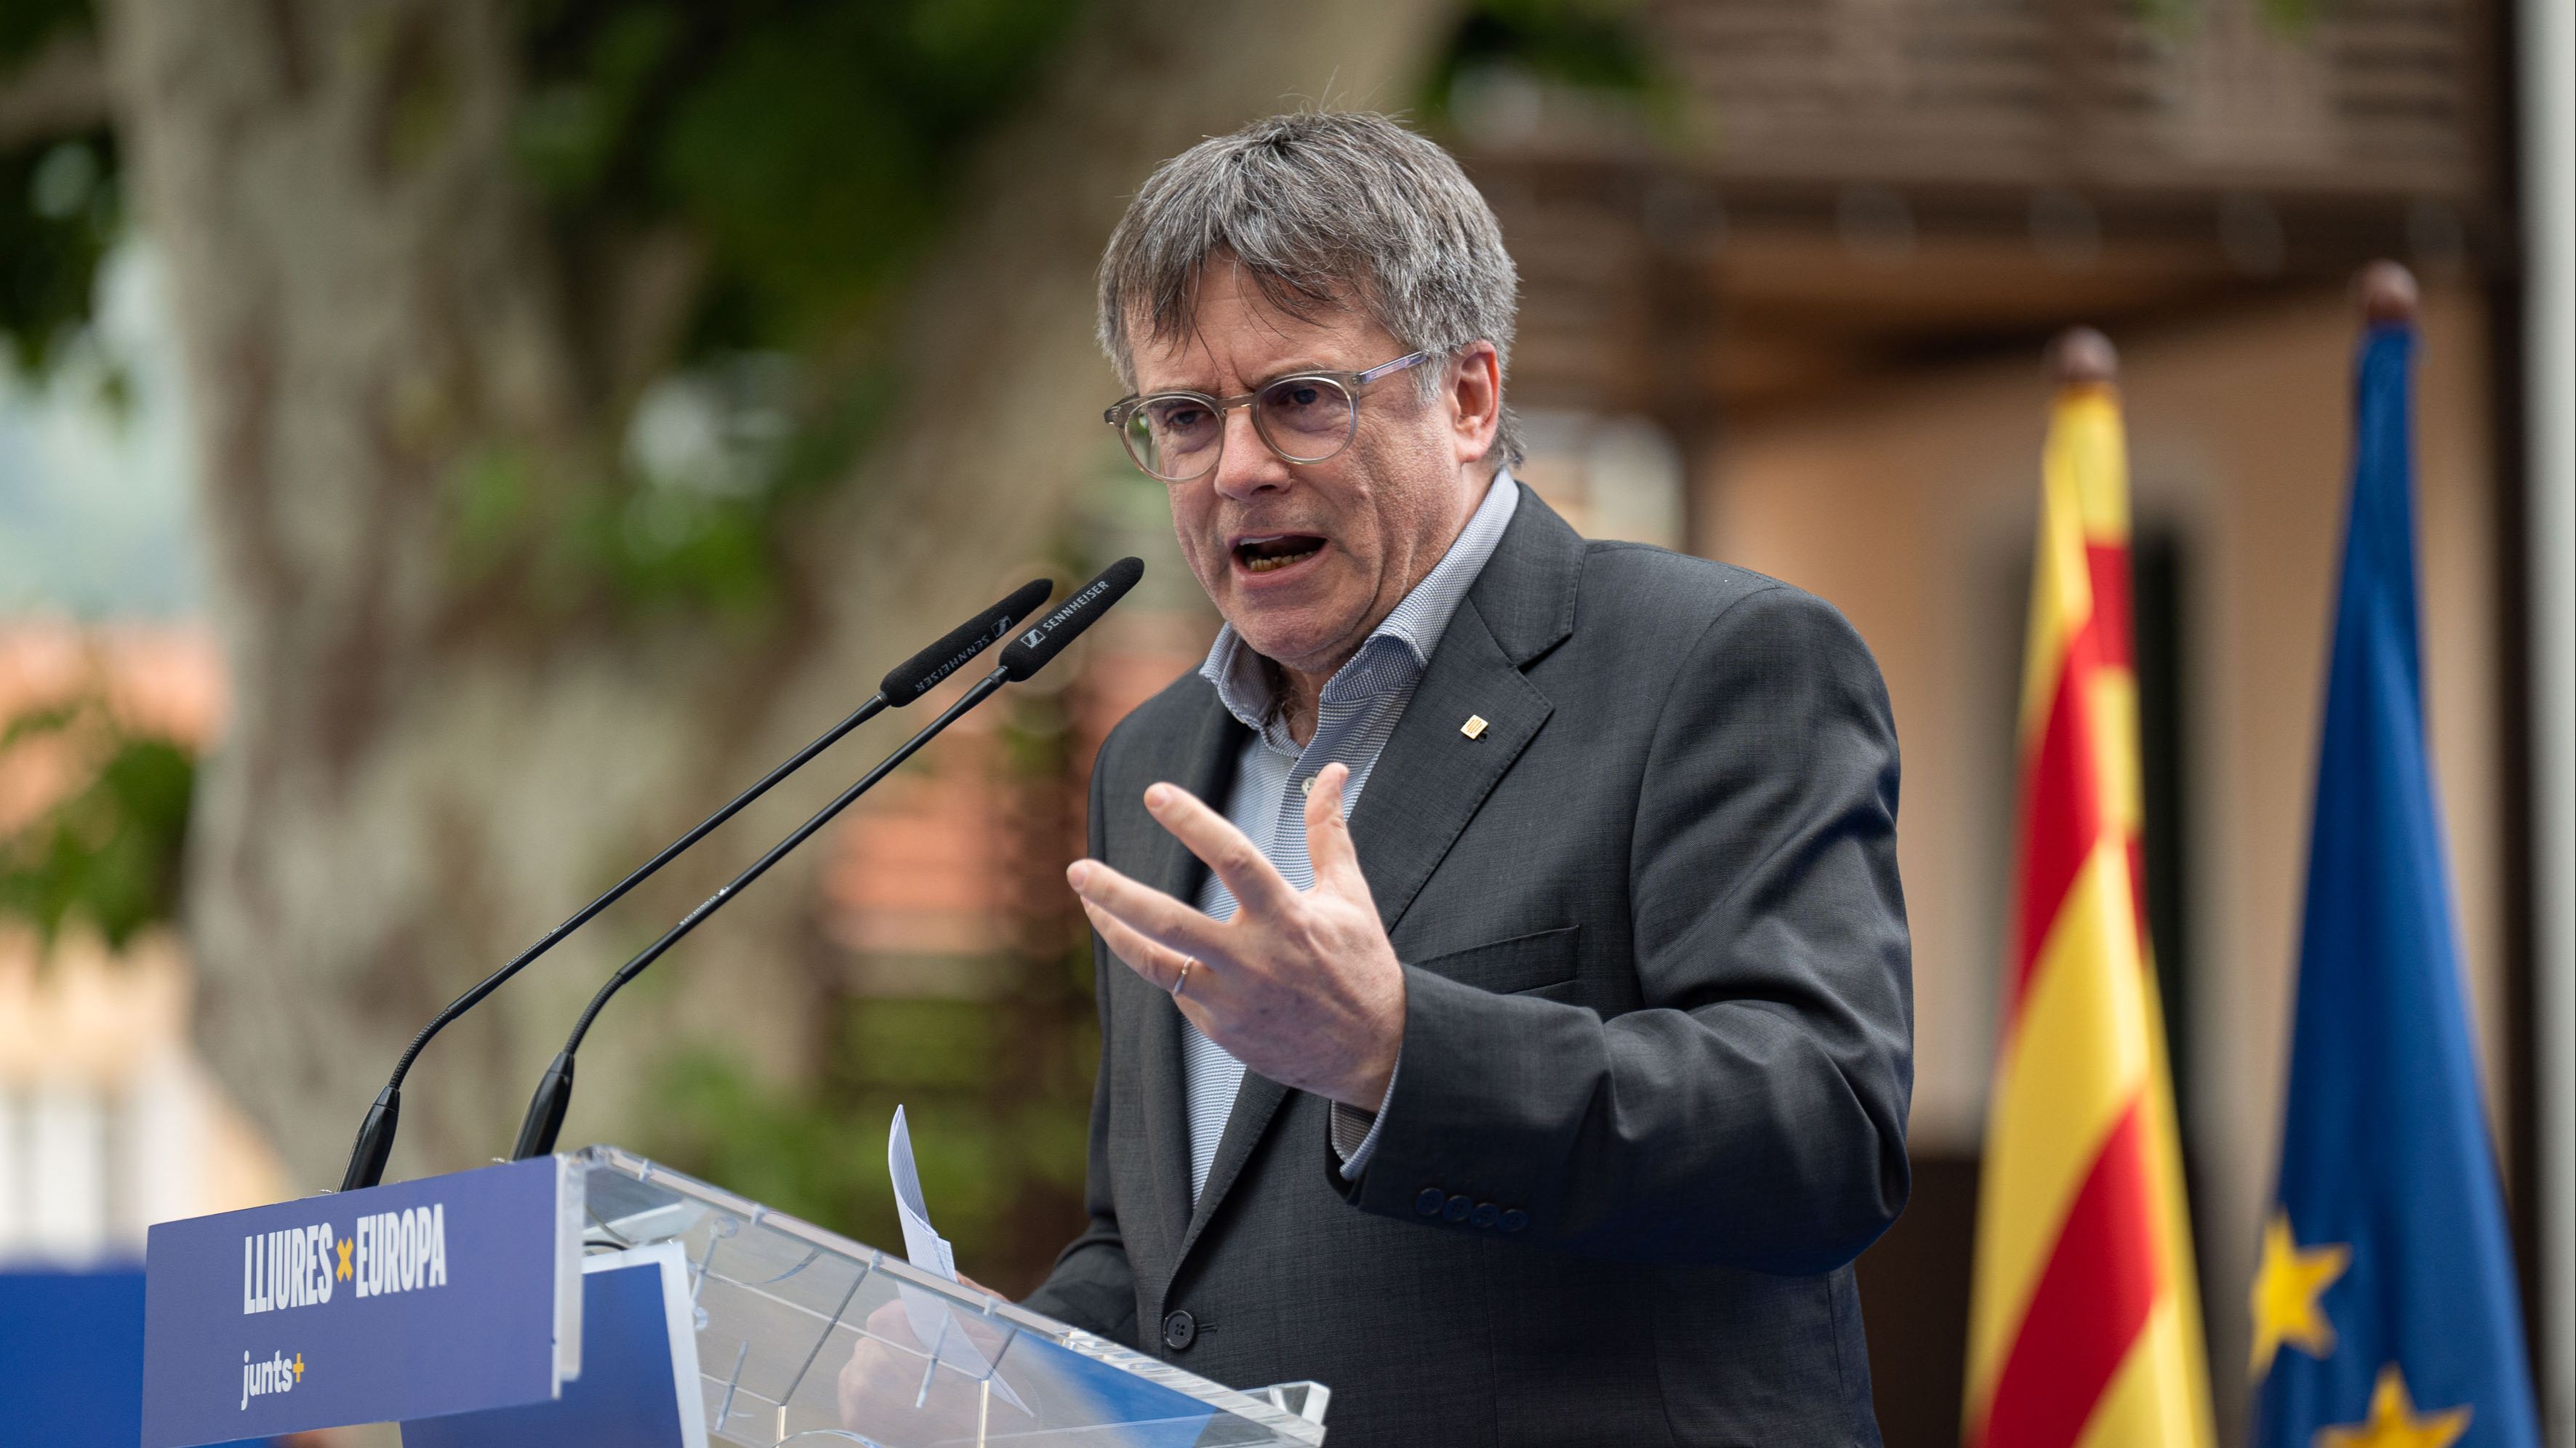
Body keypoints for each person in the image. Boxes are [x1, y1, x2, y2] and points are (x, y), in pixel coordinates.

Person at [877, 110, 1914, 1446]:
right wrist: (1005, 1366)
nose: (1237, 469)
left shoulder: (1714, 663)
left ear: (1469, 397)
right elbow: (1170, 1263)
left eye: (1301, 399)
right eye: (1185, 417)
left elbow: (1822, 1134)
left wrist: (1399, 1049)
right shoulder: (1154, 763)